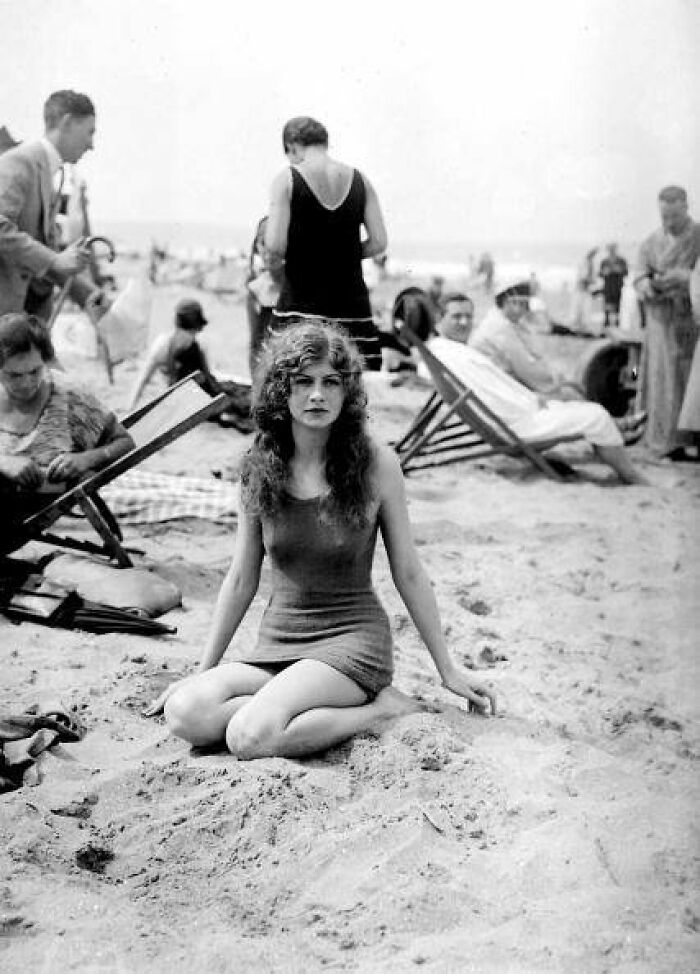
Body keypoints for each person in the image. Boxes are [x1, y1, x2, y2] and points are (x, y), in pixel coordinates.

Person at [144, 321, 496, 757]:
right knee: (185, 712)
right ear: (281, 390)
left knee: (248, 737)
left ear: (346, 392)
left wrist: (448, 667)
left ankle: (382, 710)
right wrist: (203, 671)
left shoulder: (378, 464)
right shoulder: (258, 466)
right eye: (304, 382)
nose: (317, 395)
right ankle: (286, 710)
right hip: (280, 643)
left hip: (351, 642)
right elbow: (240, 578)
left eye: (331, 382)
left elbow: (407, 570)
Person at [421, 293, 647, 485]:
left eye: (468, 316)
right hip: (517, 427)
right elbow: (496, 397)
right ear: (439, 319)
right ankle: (632, 476)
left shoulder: (443, 351)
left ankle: (617, 434)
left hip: (512, 418)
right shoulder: (456, 355)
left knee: (576, 406)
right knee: (595, 416)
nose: (464, 322)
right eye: (456, 316)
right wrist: (534, 402)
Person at [265, 116, 405, 371]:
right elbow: (379, 243)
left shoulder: (286, 179)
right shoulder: (360, 180)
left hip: (301, 308)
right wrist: (342, 254)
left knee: (294, 380)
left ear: (292, 146)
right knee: (351, 387)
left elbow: (274, 246)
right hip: (352, 310)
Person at [0, 312, 134, 547]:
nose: (27, 383)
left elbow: (124, 442)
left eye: (34, 371)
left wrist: (85, 458)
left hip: (20, 512)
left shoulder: (67, 395)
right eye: (14, 375)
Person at [0, 90, 104, 322]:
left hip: (26, 321)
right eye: (89, 132)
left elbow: (44, 255)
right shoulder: (19, 162)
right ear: (67, 123)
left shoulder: (49, 171)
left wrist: (89, 296)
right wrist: (54, 260)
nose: (91, 145)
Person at [634, 186, 700, 460]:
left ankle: (690, 439)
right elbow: (638, 277)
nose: (669, 223)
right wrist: (647, 285)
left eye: (675, 216)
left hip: (690, 318)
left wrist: (686, 278)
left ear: (686, 207)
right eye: (665, 217)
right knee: (662, 377)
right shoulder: (650, 242)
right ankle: (663, 438)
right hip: (660, 319)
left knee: (690, 379)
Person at [128, 298, 252, 431]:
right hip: (195, 396)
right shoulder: (195, 345)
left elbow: (143, 378)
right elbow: (208, 377)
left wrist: (131, 406)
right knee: (239, 397)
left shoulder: (162, 343)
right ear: (197, 324)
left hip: (180, 394)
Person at [245, 216, 283, 377]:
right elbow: (254, 345)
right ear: (256, 247)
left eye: (275, 243)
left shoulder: (298, 288)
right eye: (263, 243)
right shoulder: (255, 290)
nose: (269, 251)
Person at [599, 243, 628, 329]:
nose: (612, 251)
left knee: (617, 305)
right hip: (607, 286)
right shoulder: (604, 261)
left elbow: (626, 272)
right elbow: (600, 273)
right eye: (610, 249)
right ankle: (607, 322)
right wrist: (605, 272)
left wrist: (619, 270)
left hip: (617, 286)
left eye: (613, 249)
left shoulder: (621, 261)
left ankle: (616, 323)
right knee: (607, 304)